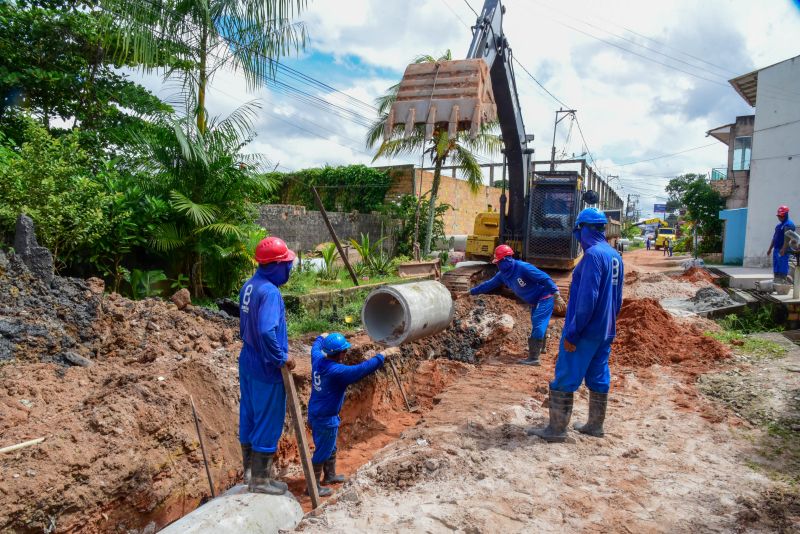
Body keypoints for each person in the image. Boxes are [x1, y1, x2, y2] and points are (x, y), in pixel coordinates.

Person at [529, 208, 624, 443]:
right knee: (599, 375)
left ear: (583, 229)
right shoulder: (615, 255)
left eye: (578, 231)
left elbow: (586, 300)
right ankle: (594, 425)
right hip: (605, 329)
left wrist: (573, 332)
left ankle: (556, 429)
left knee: (565, 375)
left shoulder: (592, 256)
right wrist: (608, 324)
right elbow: (618, 298)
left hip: (585, 331)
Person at [238, 236, 296, 495]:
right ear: (275, 265)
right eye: (286, 263)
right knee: (268, 419)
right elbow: (265, 331)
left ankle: (250, 474)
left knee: (249, 415)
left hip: (248, 359)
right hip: (265, 364)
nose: (289, 268)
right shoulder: (271, 292)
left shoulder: (249, 286)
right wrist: (281, 357)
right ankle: (261, 481)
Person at [308, 332, 390, 496]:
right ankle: (313, 486)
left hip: (316, 413)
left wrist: (321, 337)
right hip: (325, 418)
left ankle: (330, 475)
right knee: (323, 450)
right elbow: (362, 369)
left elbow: (315, 348)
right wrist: (382, 356)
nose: (346, 353)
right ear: (339, 353)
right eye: (344, 351)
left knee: (330, 446)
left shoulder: (318, 360)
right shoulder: (337, 371)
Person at [460, 244, 563, 366]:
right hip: (535, 300)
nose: (497, 264)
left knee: (538, 322)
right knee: (537, 323)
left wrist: (556, 295)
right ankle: (541, 348)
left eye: (499, 261)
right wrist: (470, 292)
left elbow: (545, 278)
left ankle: (534, 358)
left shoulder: (523, 267)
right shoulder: (503, 275)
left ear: (507, 259)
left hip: (545, 296)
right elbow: (488, 285)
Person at [768, 205, 796, 284]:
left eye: (782, 215)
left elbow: (788, 238)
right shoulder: (778, 226)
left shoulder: (789, 224)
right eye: (779, 215)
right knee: (776, 267)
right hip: (776, 249)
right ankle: (776, 282)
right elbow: (774, 238)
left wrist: (784, 249)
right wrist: (770, 249)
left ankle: (782, 282)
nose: (780, 217)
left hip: (783, 250)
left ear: (786, 214)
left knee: (782, 266)